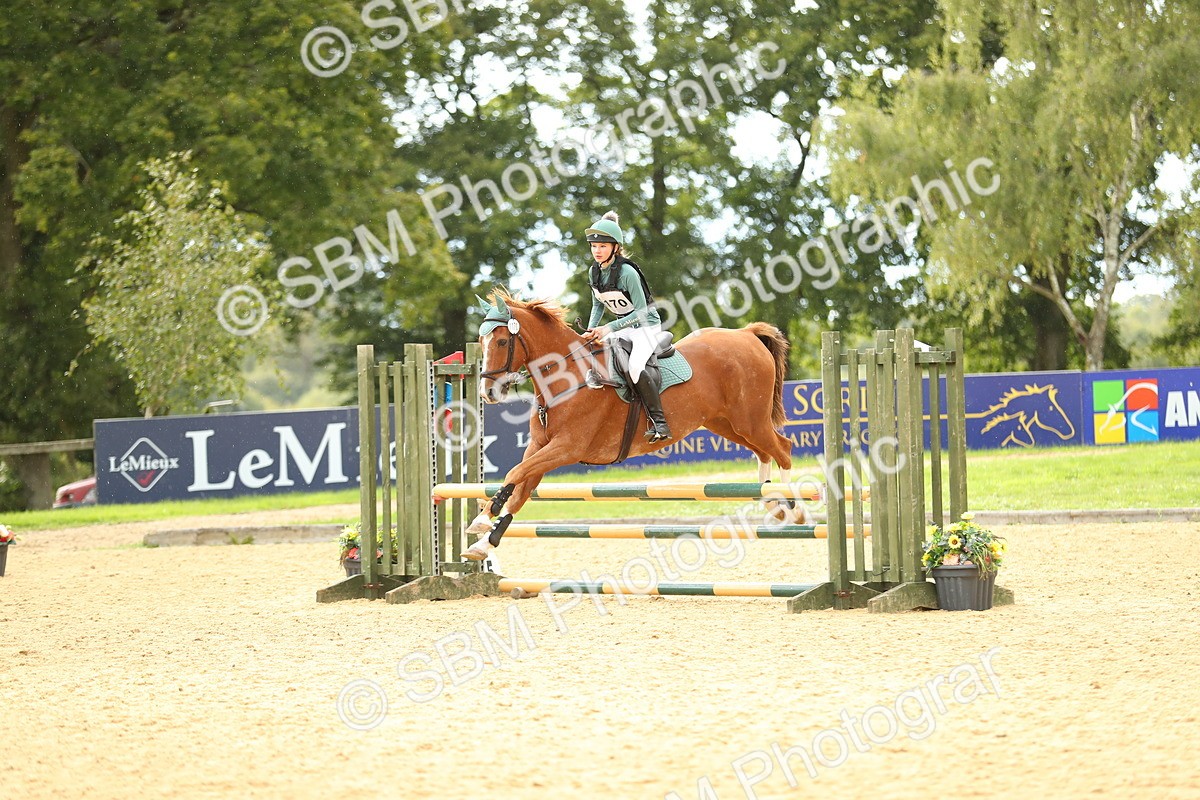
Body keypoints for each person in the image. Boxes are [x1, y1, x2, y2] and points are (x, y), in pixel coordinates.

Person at [580, 211, 672, 443]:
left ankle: (660, 423)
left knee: (634, 366)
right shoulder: (594, 272)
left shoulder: (628, 272)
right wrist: (592, 330)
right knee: (596, 352)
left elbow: (641, 312)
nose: (597, 250)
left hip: (647, 326)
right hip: (624, 327)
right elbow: (597, 306)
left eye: (602, 246)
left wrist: (609, 328)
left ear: (615, 247)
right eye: (594, 246)